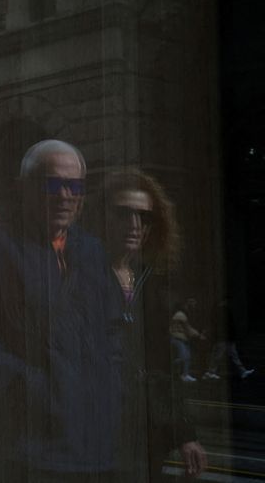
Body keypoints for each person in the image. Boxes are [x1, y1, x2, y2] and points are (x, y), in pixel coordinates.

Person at [0, 140, 122, 481]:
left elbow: (113, 331)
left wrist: (111, 391)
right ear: (24, 189)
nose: (65, 196)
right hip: (27, 450)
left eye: (75, 186)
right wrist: (34, 389)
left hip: (93, 445)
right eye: (52, 185)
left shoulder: (91, 249)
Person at [103, 169, 207, 479]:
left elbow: (162, 365)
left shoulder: (150, 281)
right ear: (104, 216)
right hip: (97, 431)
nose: (134, 225)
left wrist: (185, 433)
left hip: (146, 434)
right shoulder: (83, 272)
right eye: (124, 213)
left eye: (144, 217)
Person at [203, 298, 254, 380]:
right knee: (220, 355)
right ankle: (210, 372)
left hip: (226, 337)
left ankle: (242, 371)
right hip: (225, 337)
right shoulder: (222, 311)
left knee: (230, 355)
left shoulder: (219, 310)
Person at [170, 298, 206, 382]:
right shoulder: (180, 315)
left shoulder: (183, 314)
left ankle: (184, 374)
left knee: (186, 357)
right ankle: (180, 373)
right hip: (178, 339)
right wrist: (198, 335)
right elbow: (188, 328)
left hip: (182, 339)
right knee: (183, 357)